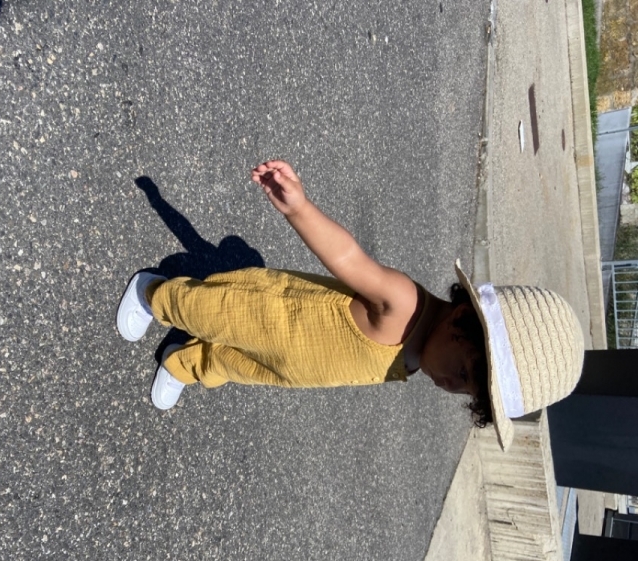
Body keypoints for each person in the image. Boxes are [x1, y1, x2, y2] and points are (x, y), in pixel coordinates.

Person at [117, 160, 585, 450]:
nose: (450, 385)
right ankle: (154, 294)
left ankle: (187, 363)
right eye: (463, 372)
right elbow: (348, 258)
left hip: (289, 366)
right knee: (207, 309)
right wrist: (299, 208)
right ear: (463, 319)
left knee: (237, 365)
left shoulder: (418, 360)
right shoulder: (403, 303)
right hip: (270, 314)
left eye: (466, 391)